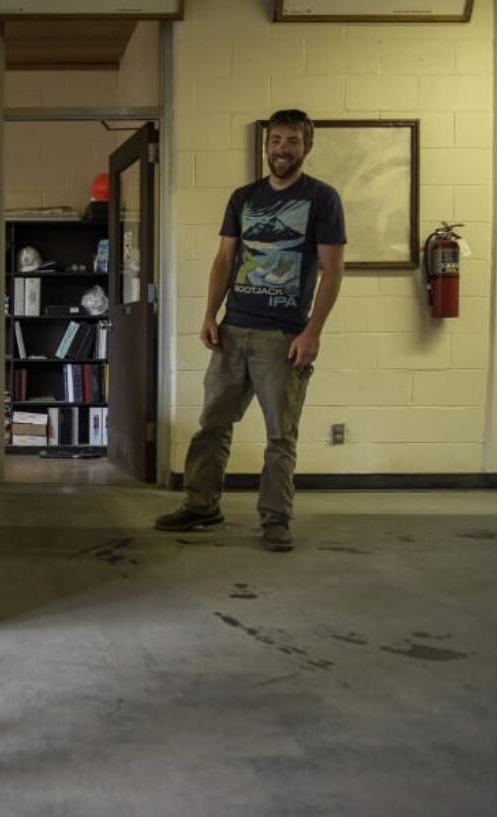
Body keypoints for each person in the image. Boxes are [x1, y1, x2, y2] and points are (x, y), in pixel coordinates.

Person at [155, 109, 344, 552]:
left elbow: (333, 270)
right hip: (233, 330)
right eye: (276, 140)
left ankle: (276, 519)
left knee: (280, 434)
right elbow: (225, 259)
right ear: (266, 145)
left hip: (283, 337)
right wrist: (209, 314)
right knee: (211, 426)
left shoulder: (322, 198)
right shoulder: (244, 198)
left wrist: (312, 331)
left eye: (292, 141)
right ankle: (202, 506)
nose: (282, 149)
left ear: (307, 147)